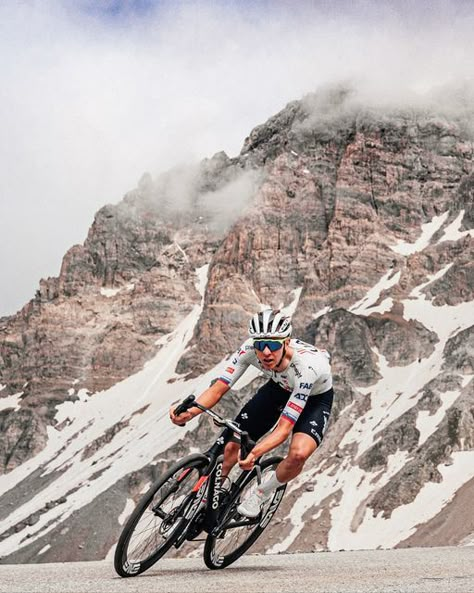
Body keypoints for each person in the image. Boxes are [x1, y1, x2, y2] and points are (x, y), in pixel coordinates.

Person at [169, 308, 333, 518]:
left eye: (273, 345)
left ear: (286, 343)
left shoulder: (307, 368)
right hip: (278, 389)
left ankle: (261, 492)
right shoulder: (248, 349)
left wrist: (255, 453)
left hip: (315, 399)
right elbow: (219, 388)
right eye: (260, 345)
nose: (265, 352)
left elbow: (283, 430)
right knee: (230, 447)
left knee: (299, 454)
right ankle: (204, 501)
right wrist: (189, 413)